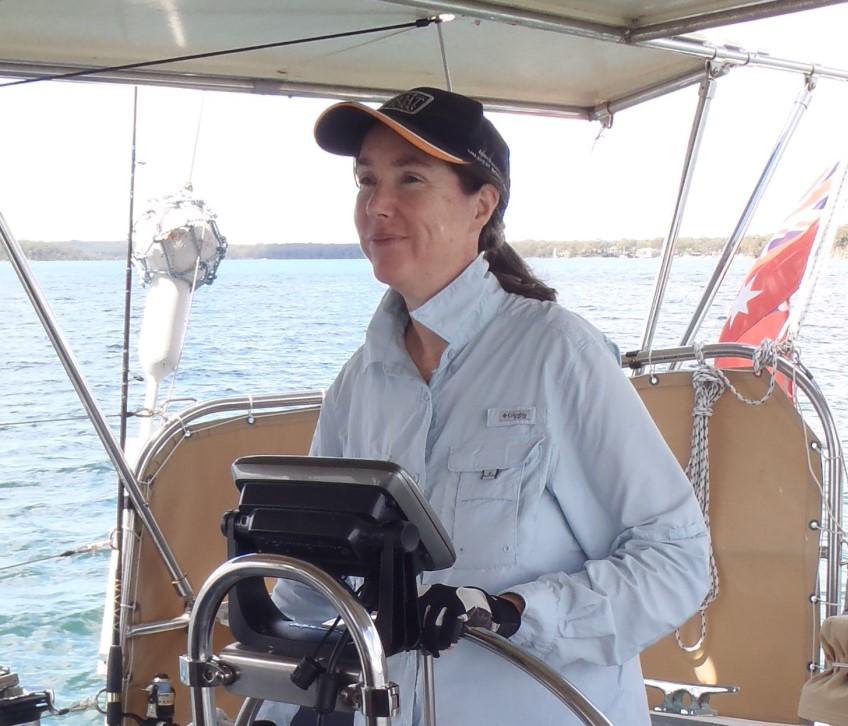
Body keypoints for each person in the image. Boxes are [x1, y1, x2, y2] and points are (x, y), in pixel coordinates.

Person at [270, 87, 709, 726]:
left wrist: (512, 612)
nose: (377, 205)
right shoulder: (357, 385)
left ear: (482, 204)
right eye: (366, 181)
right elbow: (314, 590)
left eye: (410, 179)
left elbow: (675, 562)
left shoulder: (559, 355)